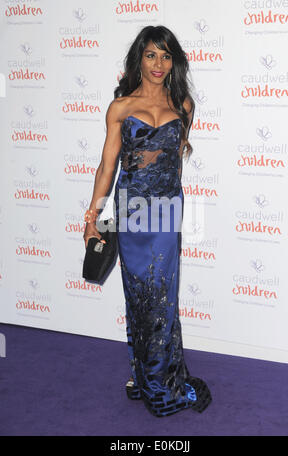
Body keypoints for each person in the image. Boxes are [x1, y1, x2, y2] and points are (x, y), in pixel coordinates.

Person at [83, 25, 212, 417]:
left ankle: (161, 385)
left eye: (166, 55)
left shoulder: (183, 105)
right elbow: (108, 167)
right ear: (139, 57)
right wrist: (93, 216)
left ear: (174, 62)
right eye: (151, 54)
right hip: (132, 213)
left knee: (163, 299)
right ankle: (144, 375)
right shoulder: (120, 109)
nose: (159, 63)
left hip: (167, 213)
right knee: (140, 300)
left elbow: (172, 163)